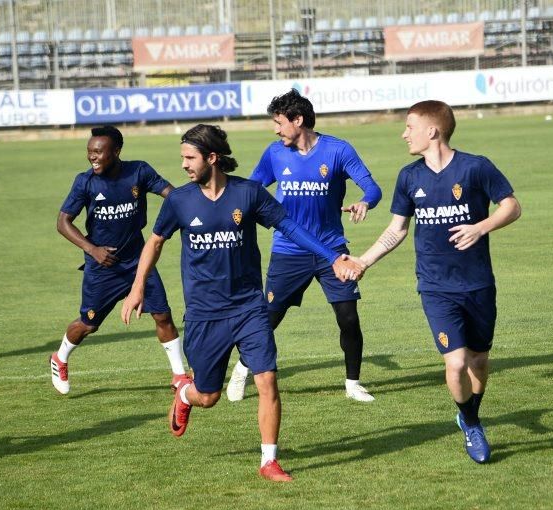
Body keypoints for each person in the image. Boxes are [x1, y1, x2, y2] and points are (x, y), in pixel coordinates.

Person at [121, 124, 360, 482]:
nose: (184, 165)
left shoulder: (248, 195)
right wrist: (137, 286)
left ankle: (269, 461)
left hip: (250, 307)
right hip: (205, 314)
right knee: (208, 396)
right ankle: (185, 395)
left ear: (212, 158)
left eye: (190, 157)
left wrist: (333, 257)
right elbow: (154, 243)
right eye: (182, 158)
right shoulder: (179, 201)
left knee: (267, 379)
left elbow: (291, 228)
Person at [348, 100, 521, 463]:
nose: (403, 134)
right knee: (456, 362)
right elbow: (397, 230)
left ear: (433, 130)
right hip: (435, 286)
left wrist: (481, 227)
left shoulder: (476, 167)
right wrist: (364, 260)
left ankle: (470, 411)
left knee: (479, 362)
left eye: (409, 126)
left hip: (478, 284)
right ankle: (472, 423)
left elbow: (511, 206)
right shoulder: (409, 176)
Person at [226, 89, 382, 403]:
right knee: (270, 318)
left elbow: (372, 187)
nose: (275, 129)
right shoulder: (274, 153)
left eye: (279, 122)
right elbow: (252, 189)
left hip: (332, 251)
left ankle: (352, 384)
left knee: (348, 317)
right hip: (288, 250)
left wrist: (366, 202)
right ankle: (242, 369)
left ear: (298, 120)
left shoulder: (338, 150)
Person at [50, 125, 186, 395]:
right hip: (103, 267)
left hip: (138, 261)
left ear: (117, 151)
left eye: (99, 152)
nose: (93, 157)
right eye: (90, 152)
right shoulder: (84, 182)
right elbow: (63, 222)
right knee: (88, 324)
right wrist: (93, 250)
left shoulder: (139, 171)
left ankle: (180, 375)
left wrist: (199, 201)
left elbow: (172, 195)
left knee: (162, 315)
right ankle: (60, 357)